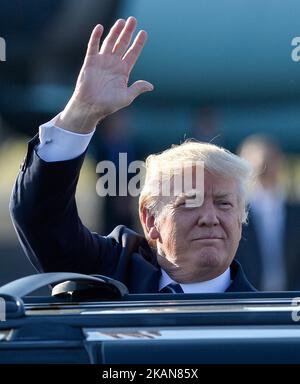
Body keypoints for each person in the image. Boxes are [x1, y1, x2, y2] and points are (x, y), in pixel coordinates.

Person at [10, 17, 256, 293]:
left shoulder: (275, 327)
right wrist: (82, 113)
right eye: (189, 202)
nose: (209, 217)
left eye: (224, 204)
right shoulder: (107, 274)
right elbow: (41, 219)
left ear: (240, 221)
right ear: (150, 220)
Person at [236, 135, 300, 291]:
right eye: (257, 165)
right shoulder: (234, 213)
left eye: (270, 161)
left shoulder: (295, 212)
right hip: (247, 299)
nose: (264, 169)